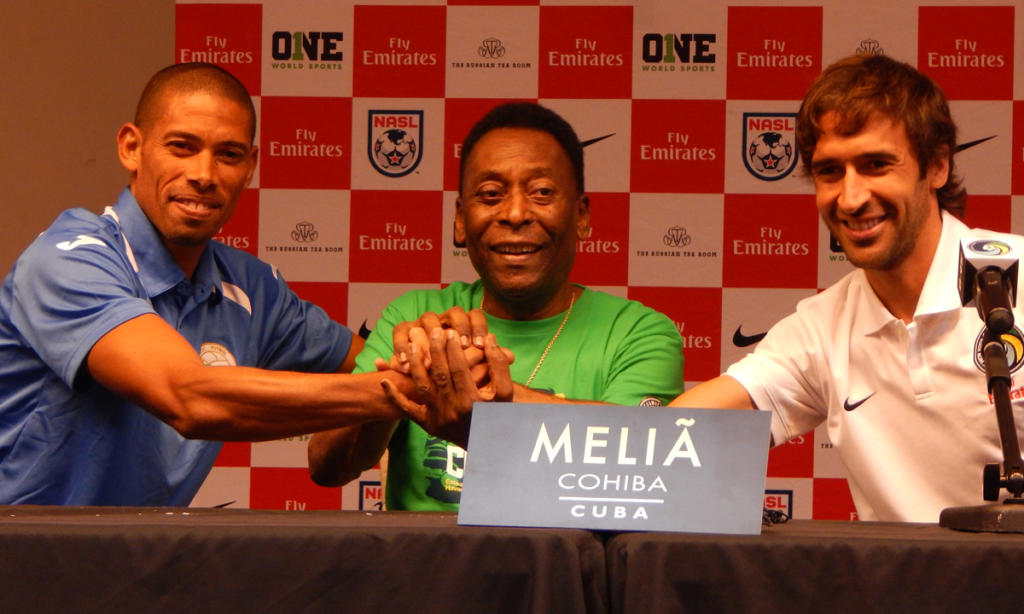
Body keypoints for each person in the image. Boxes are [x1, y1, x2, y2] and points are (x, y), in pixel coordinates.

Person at [0, 62, 443, 506]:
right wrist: (400, 391)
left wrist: (433, 355)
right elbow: (189, 398)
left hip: (135, 563)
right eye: (182, 147)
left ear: (249, 167)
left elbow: (371, 363)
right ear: (131, 148)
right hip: (21, 562)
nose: (204, 174)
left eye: (228, 155)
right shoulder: (69, 259)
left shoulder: (252, 287)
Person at [670, 53, 1019, 523]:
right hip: (900, 591)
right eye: (830, 171)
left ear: (936, 167)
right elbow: (683, 431)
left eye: (876, 164)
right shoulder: (822, 326)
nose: (851, 199)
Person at [308, 102, 684, 510]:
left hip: (568, 569)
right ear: (459, 219)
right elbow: (327, 467)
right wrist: (410, 374)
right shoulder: (413, 315)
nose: (516, 213)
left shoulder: (639, 332)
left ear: (581, 215)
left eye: (541, 192)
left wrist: (480, 393)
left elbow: (645, 466)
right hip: (426, 570)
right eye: (491, 195)